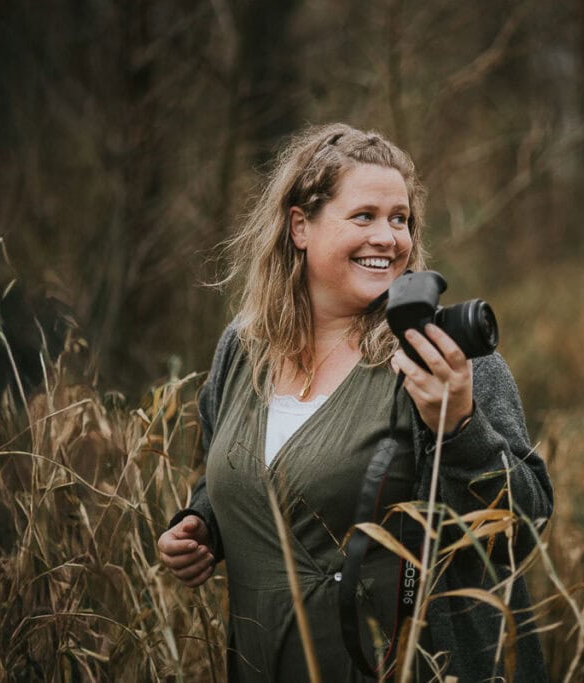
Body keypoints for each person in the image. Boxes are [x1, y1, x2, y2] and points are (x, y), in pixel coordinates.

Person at [156, 123, 553, 682]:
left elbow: (523, 528)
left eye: (400, 219)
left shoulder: (442, 356)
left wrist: (459, 426)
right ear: (300, 226)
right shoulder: (243, 351)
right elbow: (239, 474)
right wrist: (203, 525)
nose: (388, 238)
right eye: (364, 216)